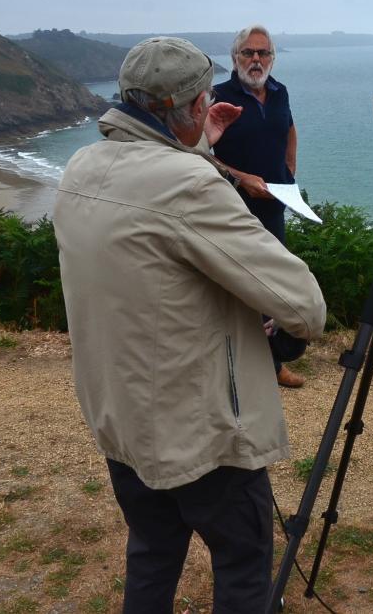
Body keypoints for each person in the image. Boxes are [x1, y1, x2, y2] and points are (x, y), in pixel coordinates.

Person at [53, 36, 326, 612]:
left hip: (121, 415)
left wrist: (199, 145)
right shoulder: (189, 184)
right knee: (242, 564)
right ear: (197, 106)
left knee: (152, 551)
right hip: (200, 428)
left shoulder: (80, 167)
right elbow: (301, 303)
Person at [211, 24, 306, 388]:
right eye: (248, 53)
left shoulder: (280, 91)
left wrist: (290, 167)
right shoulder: (218, 94)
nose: (255, 59)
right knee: (231, 284)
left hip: (274, 205)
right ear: (235, 58)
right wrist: (241, 178)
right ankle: (227, 364)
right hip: (229, 207)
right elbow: (200, 154)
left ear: (272, 58)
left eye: (262, 53)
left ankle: (272, 364)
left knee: (270, 283)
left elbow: (289, 127)